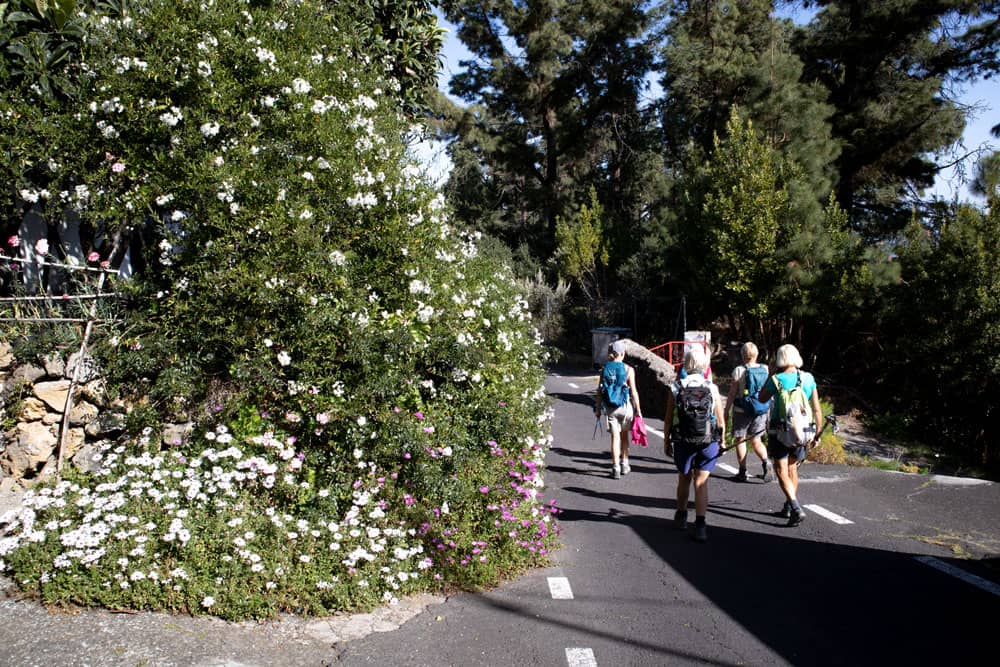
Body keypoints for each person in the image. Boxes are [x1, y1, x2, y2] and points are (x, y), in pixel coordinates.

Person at [664, 345, 725, 543]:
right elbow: (720, 419)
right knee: (701, 481)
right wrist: (722, 440)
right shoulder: (711, 387)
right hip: (708, 441)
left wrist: (666, 441)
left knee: (684, 478)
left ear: (686, 364)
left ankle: (681, 516)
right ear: (704, 364)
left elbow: (667, 418)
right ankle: (700, 525)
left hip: (683, 440)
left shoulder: (676, 387)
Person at [757, 343, 822, 527]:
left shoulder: (776, 379)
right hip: (803, 430)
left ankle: (795, 507)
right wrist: (817, 433)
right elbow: (816, 408)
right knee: (793, 468)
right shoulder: (808, 378)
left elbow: (761, 398)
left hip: (780, 430)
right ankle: (788, 505)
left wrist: (770, 375)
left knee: (781, 470)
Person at [725, 342, 772, 482]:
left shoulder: (739, 370)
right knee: (756, 440)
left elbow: (732, 393)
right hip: (761, 409)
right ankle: (766, 463)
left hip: (742, 410)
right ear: (757, 354)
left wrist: (726, 410)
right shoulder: (765, 368)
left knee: (741, 439)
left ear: (742, 355)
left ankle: (742, 472)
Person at [594, 339, 642, 479]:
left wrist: (598, 409)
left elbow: (599, 391)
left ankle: (615, 467)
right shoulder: (628, 369)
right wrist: (638, 410)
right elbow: (634, 392)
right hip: (625, 407)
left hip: (610, 408)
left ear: (610, 354)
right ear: (622, 353)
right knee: (624, 436)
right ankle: (625, 464)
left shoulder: (604, 370)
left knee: (615, 438)